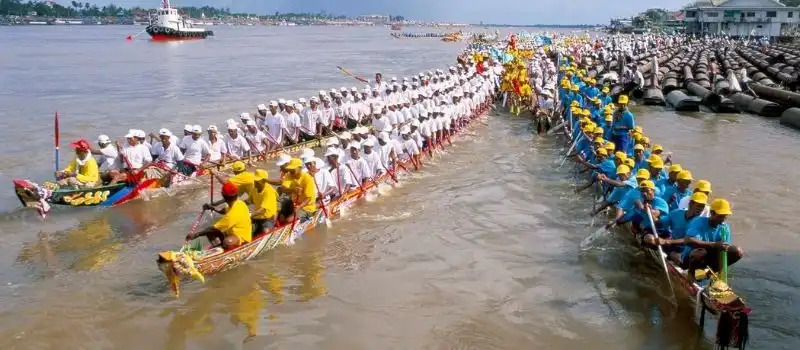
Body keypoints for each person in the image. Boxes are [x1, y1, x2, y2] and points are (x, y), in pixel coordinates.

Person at [657, 198, 744, 280]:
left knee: (737, 251)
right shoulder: (699, 221)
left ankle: (711, 273)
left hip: (707, 259)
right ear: (712, 213)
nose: (723, 219)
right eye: (720, 216)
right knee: (700, 252)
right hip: (691, 259)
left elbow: (724, 250)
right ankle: (690, 275)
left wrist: (722, 274)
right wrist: (714, 244)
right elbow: (688, 240)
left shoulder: (724, 227)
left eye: (725, 216)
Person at [187, 181, 251, 250]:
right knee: (209, 232)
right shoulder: (239, 203)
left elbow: (214, 228)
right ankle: (218, 248)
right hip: (231, 233)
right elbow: (224, 211)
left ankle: (226, 250)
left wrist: (196, 235)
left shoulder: (231, 215)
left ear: (224, 196)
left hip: (241, 237)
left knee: (226, 241)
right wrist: (212, 208)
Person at [653, 192, 708, 264]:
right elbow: (660, 224)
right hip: (673, 244)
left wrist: (667, 241)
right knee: (651, 240)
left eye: (703, 206)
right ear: (691, 203)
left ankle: (673, 257)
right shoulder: (676, 213)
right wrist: (653, 216)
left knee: (679, 258)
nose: (701, 209)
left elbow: (689, 240)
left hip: (687, 250)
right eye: (699, 205)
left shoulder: (700, 222)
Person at [249, 169, 278, 236]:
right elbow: (249, 201)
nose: (255, 182)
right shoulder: (254, 189)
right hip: (256, 217)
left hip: (268, 218)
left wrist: (249, 215)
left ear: (264, 181)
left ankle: (273, 229)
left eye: (257, 180)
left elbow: (262, 210)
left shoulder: (269, 191)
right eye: (254, 180)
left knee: (265, 231)